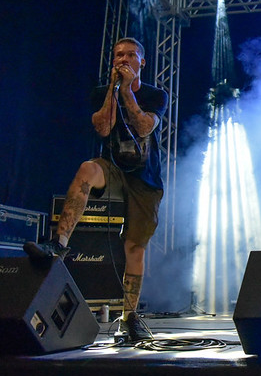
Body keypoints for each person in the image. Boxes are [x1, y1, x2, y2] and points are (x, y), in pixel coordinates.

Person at [24, 37, 168, 341]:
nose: (124, 59)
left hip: (145, 177)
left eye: (131, 55)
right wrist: (115, 91)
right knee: (87, 169)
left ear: (142, 62)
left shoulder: (156, 95)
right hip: (113, 166)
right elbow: (103, 127)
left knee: (134, 247)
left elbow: (144, 127)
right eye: (118, 55)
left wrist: (128, 90)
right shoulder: (102, 93)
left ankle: (130, 316)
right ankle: (59, 242)